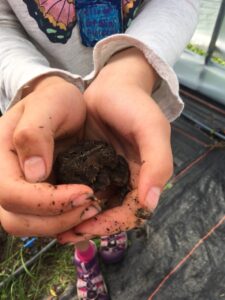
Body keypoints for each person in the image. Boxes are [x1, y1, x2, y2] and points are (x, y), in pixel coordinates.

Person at [0, 0, 200, 299]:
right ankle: (83, 253)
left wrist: (131, 68)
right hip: (44, 115)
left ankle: (111, 232)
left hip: (123, 113)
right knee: (71, 208)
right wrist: (33, 83)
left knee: (118, 198)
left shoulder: (112, 159)